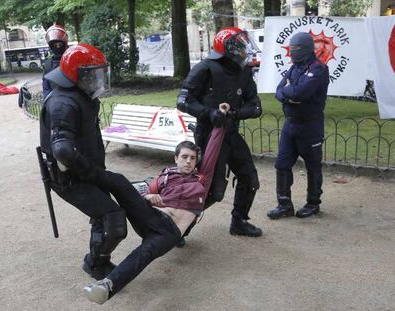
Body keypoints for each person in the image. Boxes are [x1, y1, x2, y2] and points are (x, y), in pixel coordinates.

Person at [83, 103, 231, 305]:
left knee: (144, 253)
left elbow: (213, 148)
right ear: (176, 158)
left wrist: (220, 121)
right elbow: (145, 193)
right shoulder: (165, 175)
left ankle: (106, 286)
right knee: (119, 181)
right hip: (151, 217)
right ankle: (80, 170)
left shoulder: (201, 179)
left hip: (169, 233)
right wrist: (148, 198)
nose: (188, 162)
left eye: (192, 159)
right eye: (184, 157)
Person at [40, 43, 129, 281]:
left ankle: (99, 260)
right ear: (76, 75)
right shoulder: (63, 103)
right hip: (71, 178)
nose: (98, 79)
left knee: (104, 215)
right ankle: (95, 263)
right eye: (93, 75)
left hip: (86, 172)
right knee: (113, 217)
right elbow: (63, 149)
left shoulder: (79, 96)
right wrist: (92, 172)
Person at [177, 27, 263, 238]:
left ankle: (239, 221)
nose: (244, 50)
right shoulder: (205, 68)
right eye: (240, 46)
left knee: (249, 178)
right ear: (228, 49)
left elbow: (255, 105)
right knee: (211, 190)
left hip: (231, 134)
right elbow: (183, 100)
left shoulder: (244, 71)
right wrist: (209, 113)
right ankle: (178, 227)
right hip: (209, 136)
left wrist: (234, 113)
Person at [267, 32, 329, 220]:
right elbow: (279, 91)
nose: (293, 52)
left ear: (307, 48)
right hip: (290, 125)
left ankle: (313, 203)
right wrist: (290, 94)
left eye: (297, 48)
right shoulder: (294, 68)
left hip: (310, 127)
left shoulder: (319, 69)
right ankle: (284, 205)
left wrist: (290, 93)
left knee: (313, 166)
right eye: (291, 48)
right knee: (282, 164)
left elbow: (300, 93)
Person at [42, 24, 69, 98]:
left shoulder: (71, 60)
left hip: (72, 101)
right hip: (54, 102)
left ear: (64, 44)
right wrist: (50, 101)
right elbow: (46, 87)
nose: (57, 47)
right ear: (51, 46)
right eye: (55, 45)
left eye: (60, 44)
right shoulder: (48, 64)